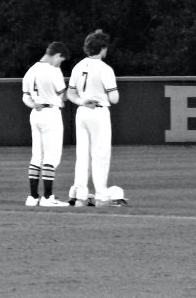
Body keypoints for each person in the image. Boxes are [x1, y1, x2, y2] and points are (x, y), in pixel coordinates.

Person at [66, 29, 128, 207]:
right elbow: (114, 98)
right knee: (100, 154)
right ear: (101, 49)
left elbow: (70, 92)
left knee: (82, 155)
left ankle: (81, 195)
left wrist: (81, 101)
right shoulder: (104, 68)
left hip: (82, 110)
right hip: (99, 112)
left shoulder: (78, 66)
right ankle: (101, 195)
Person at [21, 41, 71, 207]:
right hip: (51, 114)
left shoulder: (31, 70)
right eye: (61, 60)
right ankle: (48, 197)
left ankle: (33, 196)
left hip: (36, 113)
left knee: (37, 155)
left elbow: (25, 97)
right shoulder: (53, 71)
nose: (60, 63)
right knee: (51, 156)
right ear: (56, 55)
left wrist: (33, 104)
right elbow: (63, 96)